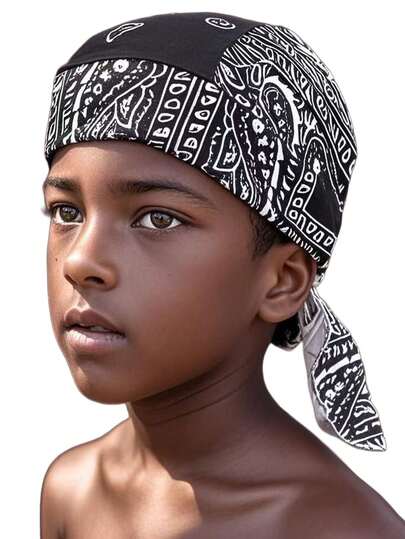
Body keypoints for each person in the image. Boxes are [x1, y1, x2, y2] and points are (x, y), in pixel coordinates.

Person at [39, 11, 405, 538]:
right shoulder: (72, 489)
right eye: (67, 212)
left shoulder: (340, 529)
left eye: (158, 219)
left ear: (282, 280)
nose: (79, 262)